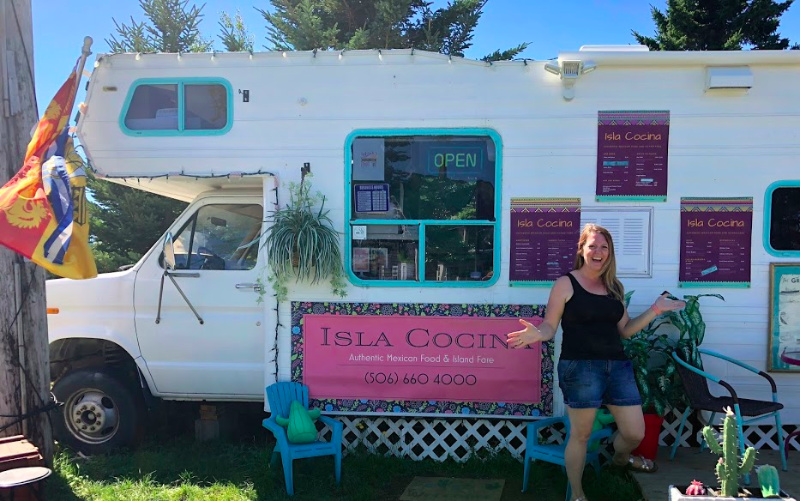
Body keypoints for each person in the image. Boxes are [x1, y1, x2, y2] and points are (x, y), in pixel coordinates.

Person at [507, 223, 685, 501]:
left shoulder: (614, 287)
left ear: (610, 253)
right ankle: (578, 495)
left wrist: (655, 310)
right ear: (582, 250)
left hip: (617, 367)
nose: (598, 252)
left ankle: (620, 460)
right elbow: (550, 326)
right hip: (580, 368)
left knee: (634, 432)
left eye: (604, 247)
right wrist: (537, 334)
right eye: (593, 246)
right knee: (581, 435)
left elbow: (624, 330)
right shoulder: (566, 283)